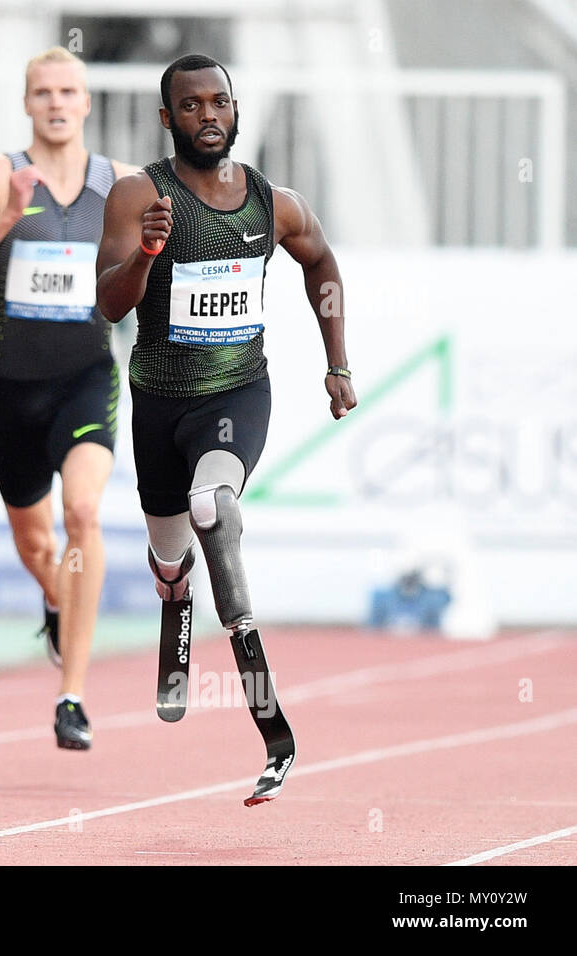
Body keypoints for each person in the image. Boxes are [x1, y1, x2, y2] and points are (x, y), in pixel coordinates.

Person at [96, 54, 357, 803]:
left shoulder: (273, 203)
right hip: (158, 402)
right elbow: (110, 305)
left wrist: (337, 364)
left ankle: (267, 714)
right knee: (170, 553)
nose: (207, 115)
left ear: (236, 111)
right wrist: (147, 255)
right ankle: (175, 603)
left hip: (237, 394)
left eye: (219, 102)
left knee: (215, 506)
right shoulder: (139, 194)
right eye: (191, 105)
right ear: (166, 117)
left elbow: (323, 262)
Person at [0, 47, 136, 750]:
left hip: (87, 377)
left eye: (68, 90)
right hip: (11, 390)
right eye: (42, 91)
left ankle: (72, 695)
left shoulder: (122, 184)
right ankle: (55, 595)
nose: (55, 102)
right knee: (36, 541)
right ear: (26, 103)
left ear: (86, 102)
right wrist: (3, 219)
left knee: (83, 513)